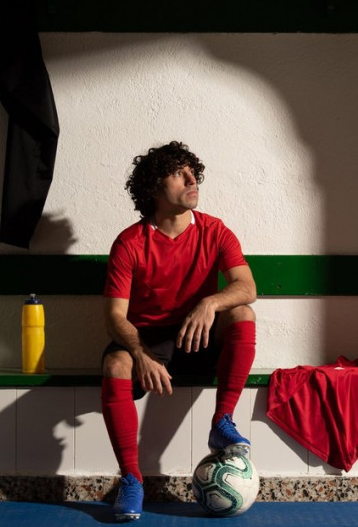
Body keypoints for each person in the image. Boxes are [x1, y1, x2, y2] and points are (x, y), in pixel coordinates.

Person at [101, 141, 257, 522]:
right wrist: (140, 352)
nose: (192, 180)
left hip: (197, 336)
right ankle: (132, 481)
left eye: (193, 173)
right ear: (154, 188)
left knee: (242, 313)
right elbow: (114, 317)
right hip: (150, 340)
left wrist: (209, 303)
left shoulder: (215, 231)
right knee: (115, 366)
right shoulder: (129, 243)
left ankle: (222, 422)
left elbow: (247, 286)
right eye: (178, 173)